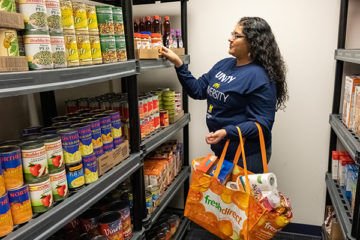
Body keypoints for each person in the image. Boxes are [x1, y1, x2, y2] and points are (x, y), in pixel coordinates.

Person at [162, 17, 288, 173]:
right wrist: (179, 64)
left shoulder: (260, 77)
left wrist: (227, 132)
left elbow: (262, 124)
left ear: (253, 42)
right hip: (222, 148)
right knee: (224, 197)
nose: (230, 38)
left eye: (236, 35)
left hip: (246, 155)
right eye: (232, 34)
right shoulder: (224, 65)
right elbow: (198, 90)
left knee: (239, 197)